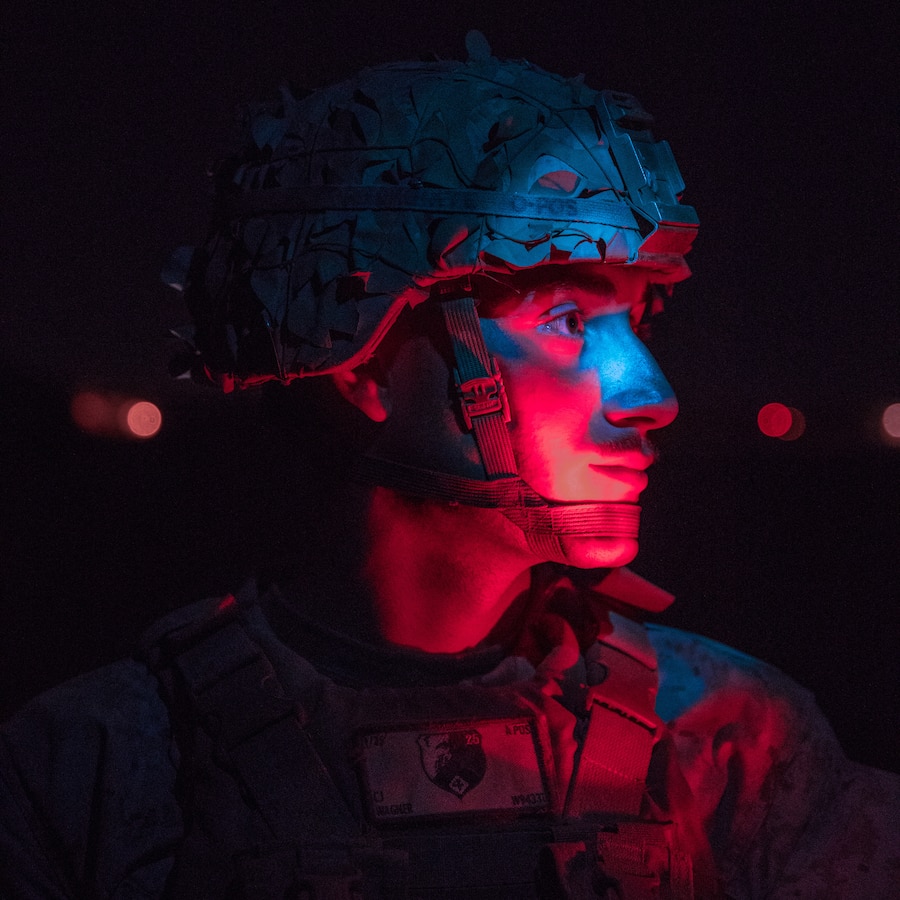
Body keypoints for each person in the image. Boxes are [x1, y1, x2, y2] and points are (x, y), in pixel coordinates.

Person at [1, 35, 897, 899]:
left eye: (639, 322)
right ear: (361, 367)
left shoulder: (735, 744)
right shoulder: (95, 770)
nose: (649, 393)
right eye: (567, 324)